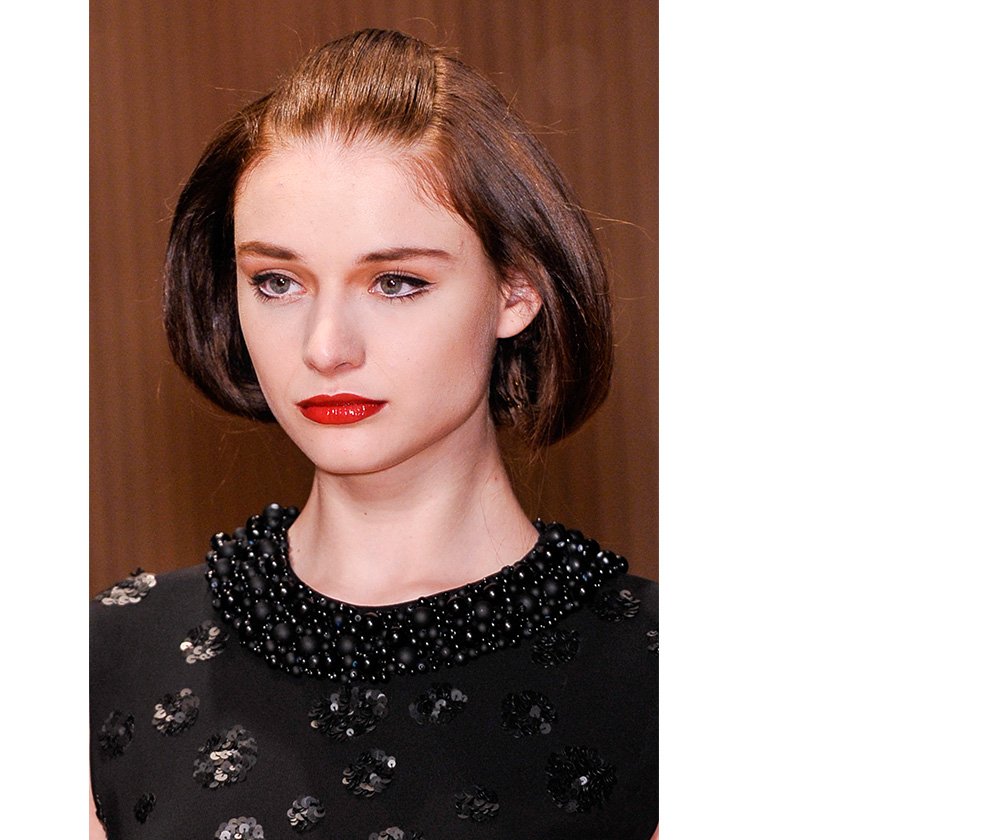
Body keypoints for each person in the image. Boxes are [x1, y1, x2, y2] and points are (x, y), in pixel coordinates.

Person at [90, 28, 657, 840]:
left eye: (394, 282)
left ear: (516, 291)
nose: (326, 347)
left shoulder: (658, 678)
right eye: (276, 282)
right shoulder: (108, 663)